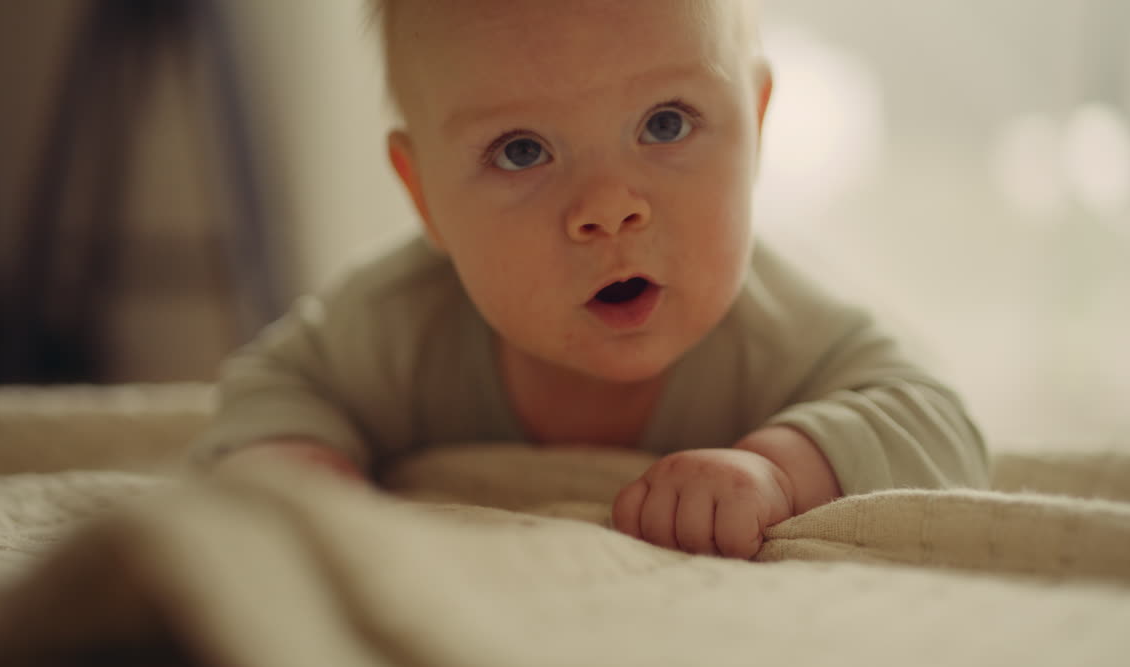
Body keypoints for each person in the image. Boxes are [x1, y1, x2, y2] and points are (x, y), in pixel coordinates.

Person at [195, 0, 988, 559]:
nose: (608, 210)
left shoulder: (781, 328)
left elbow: (940, 424)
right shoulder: (401, 321)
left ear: (757, 125)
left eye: (666, 123)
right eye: (521, 151)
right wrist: (298, 464)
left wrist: (781, 469)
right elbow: (272, 383)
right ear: (423, 194)